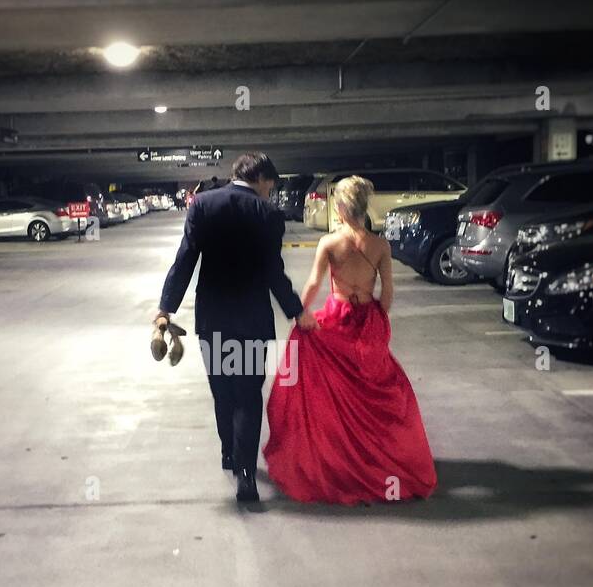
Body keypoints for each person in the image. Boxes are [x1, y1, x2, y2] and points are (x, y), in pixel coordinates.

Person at [155, 152, 318, 502]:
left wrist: (165, 308)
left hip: (213, 317)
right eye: (270, 185)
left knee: (222, 391)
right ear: (260, 178)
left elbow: (185, 260)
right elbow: (273, 271)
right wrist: (296, 311)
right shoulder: (268, 215)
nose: (270, 192)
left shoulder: (203, 205)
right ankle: (246, 473)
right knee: (247, 394)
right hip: (251, 321)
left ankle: (229, 452)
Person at [263, 175, 437, 505]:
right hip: (368, 319)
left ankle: (339, 460)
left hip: (337, 317)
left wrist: (302, 316)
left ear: (341, 208)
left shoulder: (330, 243)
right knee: (380, 391)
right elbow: (387, 290)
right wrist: (378, 322)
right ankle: (380, 460)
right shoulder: (380, 244)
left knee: (331, 396)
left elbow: (314, 283)